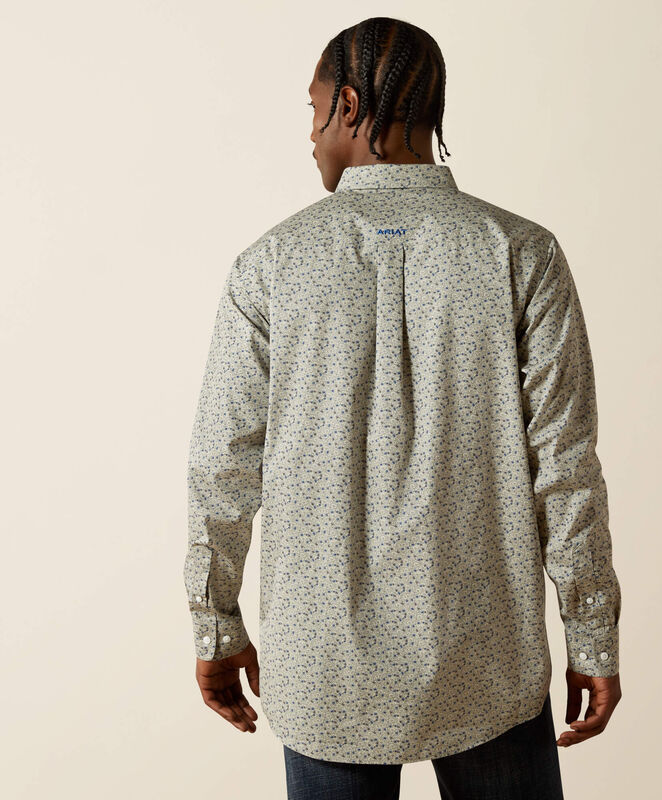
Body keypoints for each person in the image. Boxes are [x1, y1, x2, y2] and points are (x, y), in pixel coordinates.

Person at [184, 16, 622, 800]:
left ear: (349, 106)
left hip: (325, 670)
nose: (308, 132)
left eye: (313, 107)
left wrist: (215, 624)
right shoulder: (522, 252)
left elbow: (223, 469)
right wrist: (591, 636)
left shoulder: (269, 266)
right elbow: (565, 467)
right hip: (486, 660)